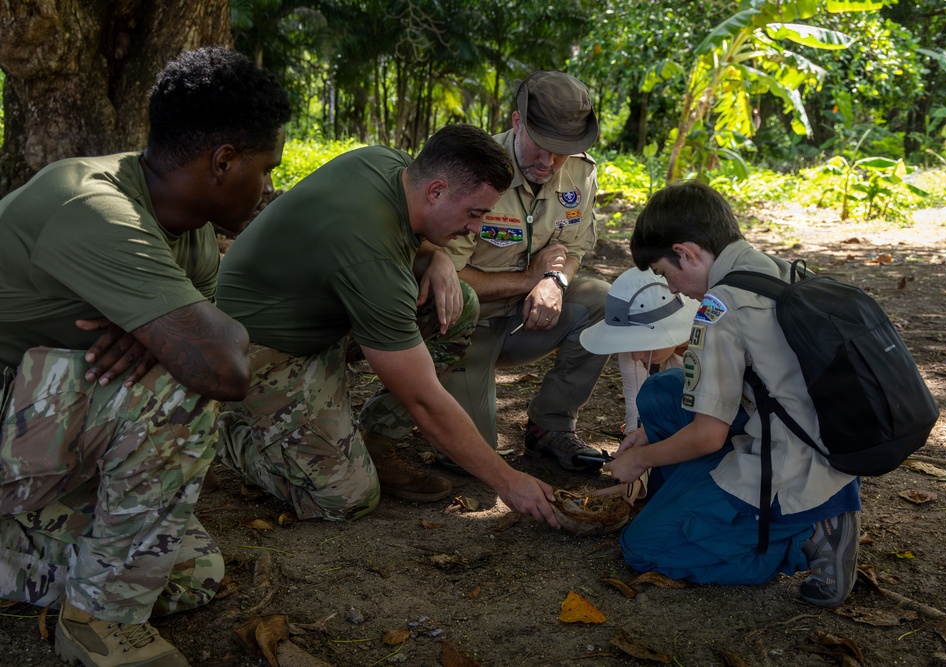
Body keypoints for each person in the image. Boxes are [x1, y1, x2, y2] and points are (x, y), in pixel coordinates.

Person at [0, 47, 291, 667]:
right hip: (15, 420)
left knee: (192, 569)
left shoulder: (192, 235)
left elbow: (216, 331)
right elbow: (222, 368)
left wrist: (158, 329)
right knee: (180, 387)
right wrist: (173, 334)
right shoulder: (93, 207)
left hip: (32, 431)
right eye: (266, 170)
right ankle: (97, 624)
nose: (269, 188)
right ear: (223, 161)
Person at [214, 123, 561, 528]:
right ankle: (234, 436)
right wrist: (508, 480)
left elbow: (402, 239)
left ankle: (375, 439)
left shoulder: (390, 163)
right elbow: (424, 401)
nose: (476, 229)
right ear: (436, 190)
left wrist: (438, 258)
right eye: (474, 213)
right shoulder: (373, 261)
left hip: (320, 311)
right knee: (346, 498)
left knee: (458, 302)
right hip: (261, 351)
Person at [604, 180, 862, 608]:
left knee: (643, 549)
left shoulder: (719, 308)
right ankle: (689, 504)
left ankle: (809, 533)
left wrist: (639, 459)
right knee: (664, 391)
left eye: (667, 274)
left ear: (686, 252)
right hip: (824, 441)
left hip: (791, 467)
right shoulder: (779, 267)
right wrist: (652, 434)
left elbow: (708, 437)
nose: (672, 290)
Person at [437, 70, 612, 472]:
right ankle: (400, 410)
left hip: (527, 322)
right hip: (463, 326)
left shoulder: (581, 174)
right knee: (471, 459)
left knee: (602, 300)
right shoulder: (474, 171)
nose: (549, 162)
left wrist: (555, 280)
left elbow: (576, 245)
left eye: (562, 151)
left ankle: (550, 427)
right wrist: (527, 279)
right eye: (541, 146)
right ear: (517, 123)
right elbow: (446, 274)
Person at [580, 267, 699, 437]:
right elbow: (634, 400)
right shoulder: (634, 349)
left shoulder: (714, 346)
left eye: (643, 342)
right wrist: (633, 438)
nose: (636, 356)